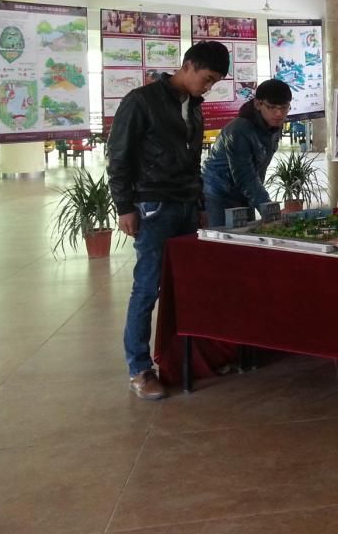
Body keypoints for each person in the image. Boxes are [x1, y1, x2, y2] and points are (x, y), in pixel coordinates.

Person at [107, 41, 230, 400]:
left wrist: (201, 203)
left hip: (187, 205)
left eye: (214, 82)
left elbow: (193, 162)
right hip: (153, 206)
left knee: (187, 285)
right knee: (148, 287)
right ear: (188, 65)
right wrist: (124, 207)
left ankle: (184, 360)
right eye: (207, 79)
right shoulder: (141, 101)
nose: (208, 87)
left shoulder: (195, 107)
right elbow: (118, 156)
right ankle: (139, 369)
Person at [202, 79, 292, 227]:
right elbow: (245, 175)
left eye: (284, 107)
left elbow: (258, 171)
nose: (279, 113)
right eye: (272, 107)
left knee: (248, 235)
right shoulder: (239, 130)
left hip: (245, 192)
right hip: (218, 192)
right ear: (258, 104)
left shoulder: (274, 125)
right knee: (222, 237)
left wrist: (261, 203)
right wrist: (269, 210)